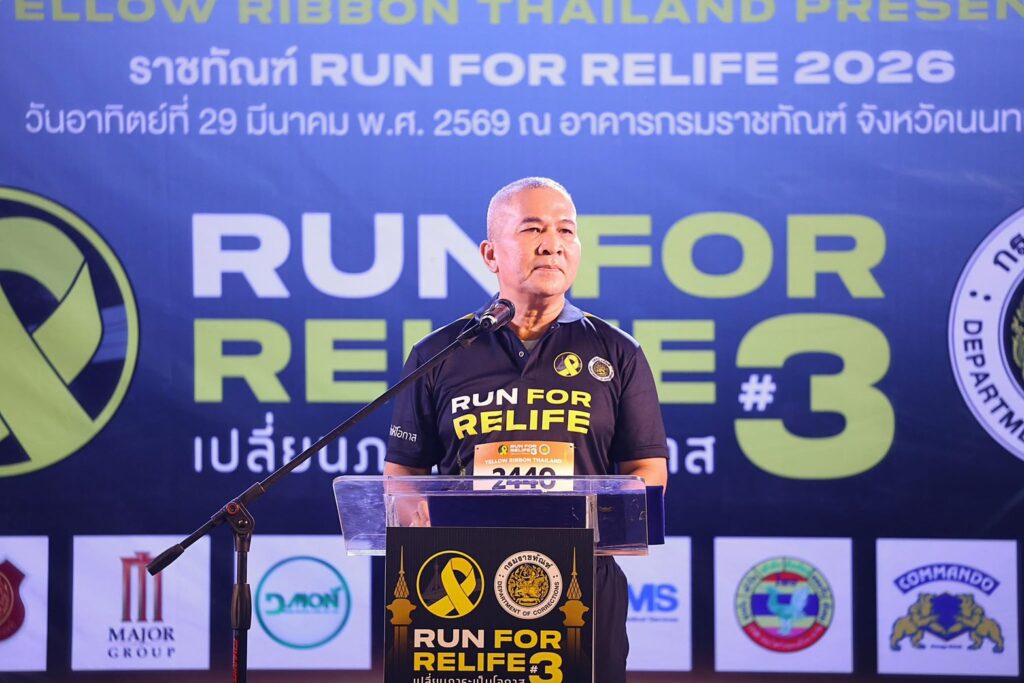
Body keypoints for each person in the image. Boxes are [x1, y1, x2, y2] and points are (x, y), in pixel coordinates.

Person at [384, 177, 668, 683]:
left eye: (566, 230)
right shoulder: (438, 353)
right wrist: (427, 529)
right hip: (462, 584)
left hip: (581, 582)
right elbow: (402, 473)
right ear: (491, 254)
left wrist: (604, 526)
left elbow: (647, 469)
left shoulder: (618, 352)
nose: (552, 243)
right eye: (533, 229)